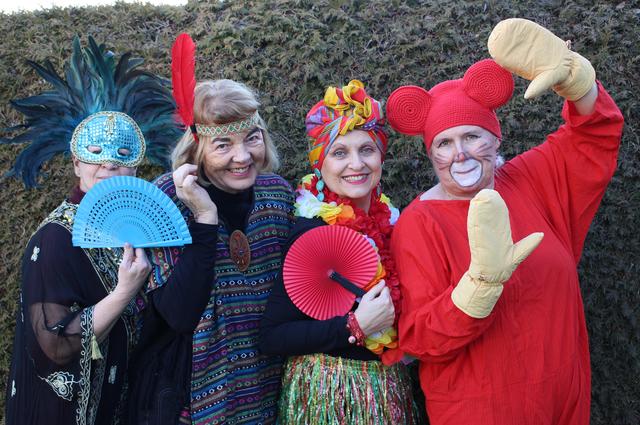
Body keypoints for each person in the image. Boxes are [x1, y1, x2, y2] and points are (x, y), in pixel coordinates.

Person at [385, 18, 624, 424]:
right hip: (479, 409)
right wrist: (478, 288)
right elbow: (419, 337)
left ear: (496, 139)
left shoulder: (531, 181)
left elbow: (593, 136)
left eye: (472, 136)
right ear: (431, 154)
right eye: (444, 143)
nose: (460, 154)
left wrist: (578, 81)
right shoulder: (418, 223)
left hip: (562, 401)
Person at [2, 36, 180, 425]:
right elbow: (54, 344)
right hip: (62, 412)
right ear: (76, 165)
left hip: (121, 404)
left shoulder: (134, 233)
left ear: (136, 168)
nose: (107, 171)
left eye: (120, 163)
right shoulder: (54, 239)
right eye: (95, 161)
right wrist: (124, 292)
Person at [131, 77, 295, 425]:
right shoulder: (163, 202)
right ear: (196, 148)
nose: (243, 156)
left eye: (252, 138)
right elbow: (177, 314)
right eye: (223, 145)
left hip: (269, 387)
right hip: (195, 396)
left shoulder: (278, 195)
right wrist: (205, 217)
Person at [260, 80, 418, 424]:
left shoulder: (395, 223)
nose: (356, 164)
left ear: (381, 156)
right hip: (329, 393)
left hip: (390, 388)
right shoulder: (313, 230)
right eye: (340, 152)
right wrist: (354, 326)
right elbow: (272, 335)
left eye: (367, 149)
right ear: (321, 162)